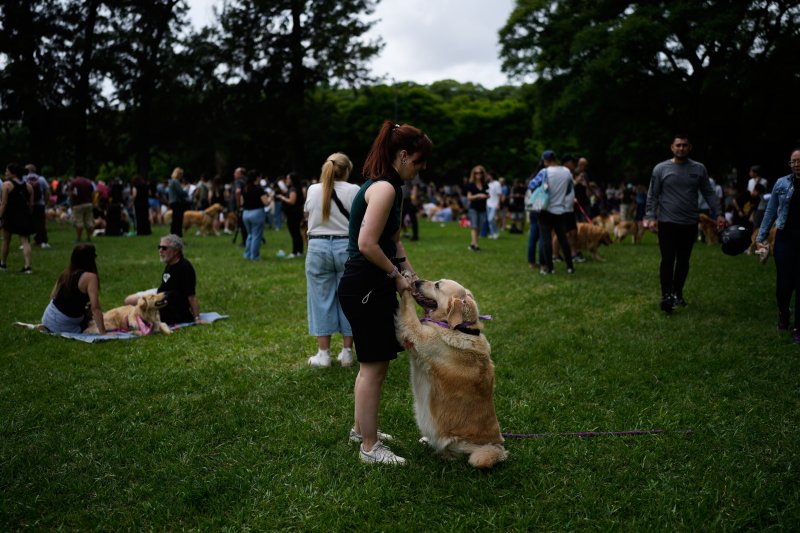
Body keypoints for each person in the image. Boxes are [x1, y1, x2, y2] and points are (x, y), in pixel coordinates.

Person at [338, 120, 432, 465]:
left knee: (374, 365)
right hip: (364, 285)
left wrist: (409, 272)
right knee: (372, 368)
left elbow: (391, 240)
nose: (422, 170)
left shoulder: (393, 187)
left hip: (370, 283)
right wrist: (395, 275)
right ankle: (369, 447)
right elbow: (366, 244)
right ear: (404, 156)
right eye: (420, 162)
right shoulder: (385, 189)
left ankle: (360, 429)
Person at [644, 135, 725, 313]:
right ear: (672, 148)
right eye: (678, 145)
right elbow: (653, 194)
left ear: (690, 147)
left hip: (689, 222)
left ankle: (677, 294)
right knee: (667, 259)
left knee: (683, 260)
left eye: (684, 145)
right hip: (667, 222)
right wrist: (649, 217)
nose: (681, 148)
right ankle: (666, 296)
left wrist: (718, 213)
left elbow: (709, 193)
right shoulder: (661, 168)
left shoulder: (699, 169)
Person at [304, 152, 360, 368]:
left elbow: (308, 215)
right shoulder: (354, 190)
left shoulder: (313, 189)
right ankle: (347, 352)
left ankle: (323, 354)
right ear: (346, 171)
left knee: (320, 298)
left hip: (317, 246)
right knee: (349, 300)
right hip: (346, 247)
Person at [755, 149, 800, 344]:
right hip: (785, 238)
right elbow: (770, 211)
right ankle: (783, 312)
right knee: (784, 284)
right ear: (790, 164)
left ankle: (798, 328)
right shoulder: (782, 183)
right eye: (794, 161)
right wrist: (761, 235)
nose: (797, 164)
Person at [124, 234, 202, 325]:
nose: (160, 250)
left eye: (164, 248)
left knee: (134, 308)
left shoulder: (185, 267)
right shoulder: (170, 263)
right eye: (159, 247)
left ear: (176, 251)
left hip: (169, 302)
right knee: (129, 300)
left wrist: (197, 318)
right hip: (160, 294)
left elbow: (191, 296)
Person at [41, 244, 106, 334]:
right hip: (64, 325)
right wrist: (103, 332)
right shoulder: (90, 277)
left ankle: (48, 327)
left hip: (47, 318)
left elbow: (52, 296)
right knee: (89, 324)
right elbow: (95, 308)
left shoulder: (65, 273)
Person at [531, 150, 576, 275]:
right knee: (563, 239)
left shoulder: (544, 172)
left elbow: (531, 185)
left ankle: (550, 268)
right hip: (561, 210)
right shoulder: (566, 172)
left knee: (546, 240)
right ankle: (570, 267)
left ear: (545, 160)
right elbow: (568, 190)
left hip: (545, 210)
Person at [0, 163, 34, 273]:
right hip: (23, 216)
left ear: (12, 173)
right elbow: (31, 205)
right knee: (25, 241)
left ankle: (3, 264)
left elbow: (4, 203)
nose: (5, 173)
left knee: (6, 240)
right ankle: (28, 266)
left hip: (10, 216)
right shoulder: (28, 186)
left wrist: (0, 216)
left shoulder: (7, 185)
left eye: (7, 171)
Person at [241, 169, 271, 260]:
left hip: (245, 213)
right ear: (257, 178)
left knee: (250, 235)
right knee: (256, 235)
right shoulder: (259, 189)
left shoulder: (245, 188)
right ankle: (255, 256)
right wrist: (270, 197)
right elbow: (265, 202)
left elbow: (242, 202)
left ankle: (247, 254)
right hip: (257, 213)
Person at [276, 172, 304, 258]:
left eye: (288, 179)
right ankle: (300, 251)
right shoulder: (296, 188)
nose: (286, 180)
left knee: (294, 233)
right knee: (297, 233)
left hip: (293, 214)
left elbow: (292, 201)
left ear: (292, 180)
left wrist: (282, 197)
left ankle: (295, 252)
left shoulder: (293, 189)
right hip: (297, 213)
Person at [24, 164, 50, 248]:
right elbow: (47, 191)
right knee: (41, 223)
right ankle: (43, 241)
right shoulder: (41, 179)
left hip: (27, 204)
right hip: (40, 204)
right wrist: (46, 201)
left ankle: (25, 242)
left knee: (26, 223)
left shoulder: (24, 179)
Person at [466, 165, 489, 251]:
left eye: (480, 173)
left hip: (482, 207)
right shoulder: (471, 185)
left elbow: (488, 194)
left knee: (479, 226)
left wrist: (485, 196)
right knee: (474, 226)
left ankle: (473, 243)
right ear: (473, 174)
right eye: (476, 173)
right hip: (474, 208)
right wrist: (478, 195)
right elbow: (469, 197)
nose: (478, 175)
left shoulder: (485, 185)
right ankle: (475, 245)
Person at [69, 174, 95, 242]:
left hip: (78, 204)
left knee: (79, 222)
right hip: (88, 203)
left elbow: (72, 194)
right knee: (89, 222)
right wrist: (92, 202)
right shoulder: (89, 182)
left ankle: (78, 238)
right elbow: (93, 193)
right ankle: (89, 237)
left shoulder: (74, 182)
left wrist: (71, 203)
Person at [167, 167, 189, 237]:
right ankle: (178, 235)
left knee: (175, 220)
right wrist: (187, 190)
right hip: (177, 203)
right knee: (178, 221)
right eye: (181, 174)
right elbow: (180, 193)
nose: (182, 176)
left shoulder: (171, 181)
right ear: (178, 174)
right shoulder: (176, 181)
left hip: (172, 202)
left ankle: (173, 235)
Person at [486, 172, 503, 239]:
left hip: (494, 203)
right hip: (488, 203)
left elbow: (499, 194)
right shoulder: (488, 184)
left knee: (491, 219)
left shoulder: (497, 183)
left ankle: (496, 232)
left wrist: (498, 204)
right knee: (489, 219)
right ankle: (492, 233)